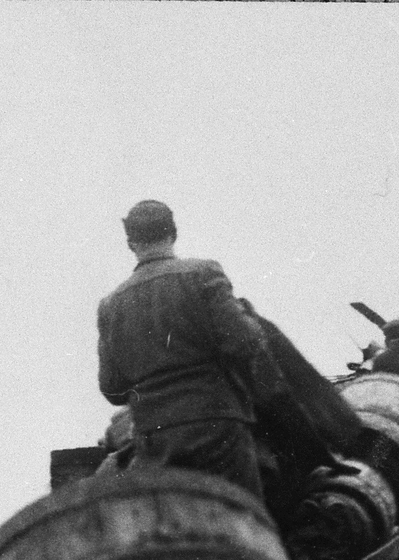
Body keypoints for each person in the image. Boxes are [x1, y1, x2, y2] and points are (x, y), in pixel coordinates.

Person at [97, 199, 281, 499]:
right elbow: (245, 343)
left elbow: (112, 388)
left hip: (155, 438)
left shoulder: (110, 305)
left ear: (131, 243)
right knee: (242, 523)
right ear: (174, 233)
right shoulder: (203, 274)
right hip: (218, 427)